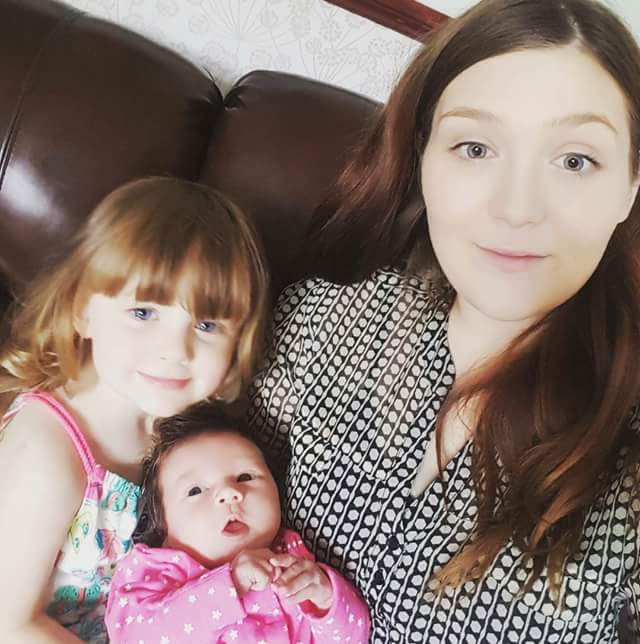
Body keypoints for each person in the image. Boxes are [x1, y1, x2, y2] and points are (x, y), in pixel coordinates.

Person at [248, 0, 640, 641]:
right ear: (422, 158)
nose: (517, 209)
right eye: (475, 147)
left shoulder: (626, 467)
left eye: (575, 160)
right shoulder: (321, 321)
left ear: (630, 184)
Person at [0, 177, 268, 643]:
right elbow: (10, 623)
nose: (175, 350)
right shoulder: (47, 455)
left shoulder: (185, 428)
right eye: (144, 313)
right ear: (82, 310)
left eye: (206, 325)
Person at [104, 402, 370, 643]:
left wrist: (326, 600)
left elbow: (353, 638)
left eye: (245, 477)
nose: (229, 493)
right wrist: (229, 586)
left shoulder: (292, 559)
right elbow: (135, 637)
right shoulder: (153, 571)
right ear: (163, 524)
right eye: (195, 490)